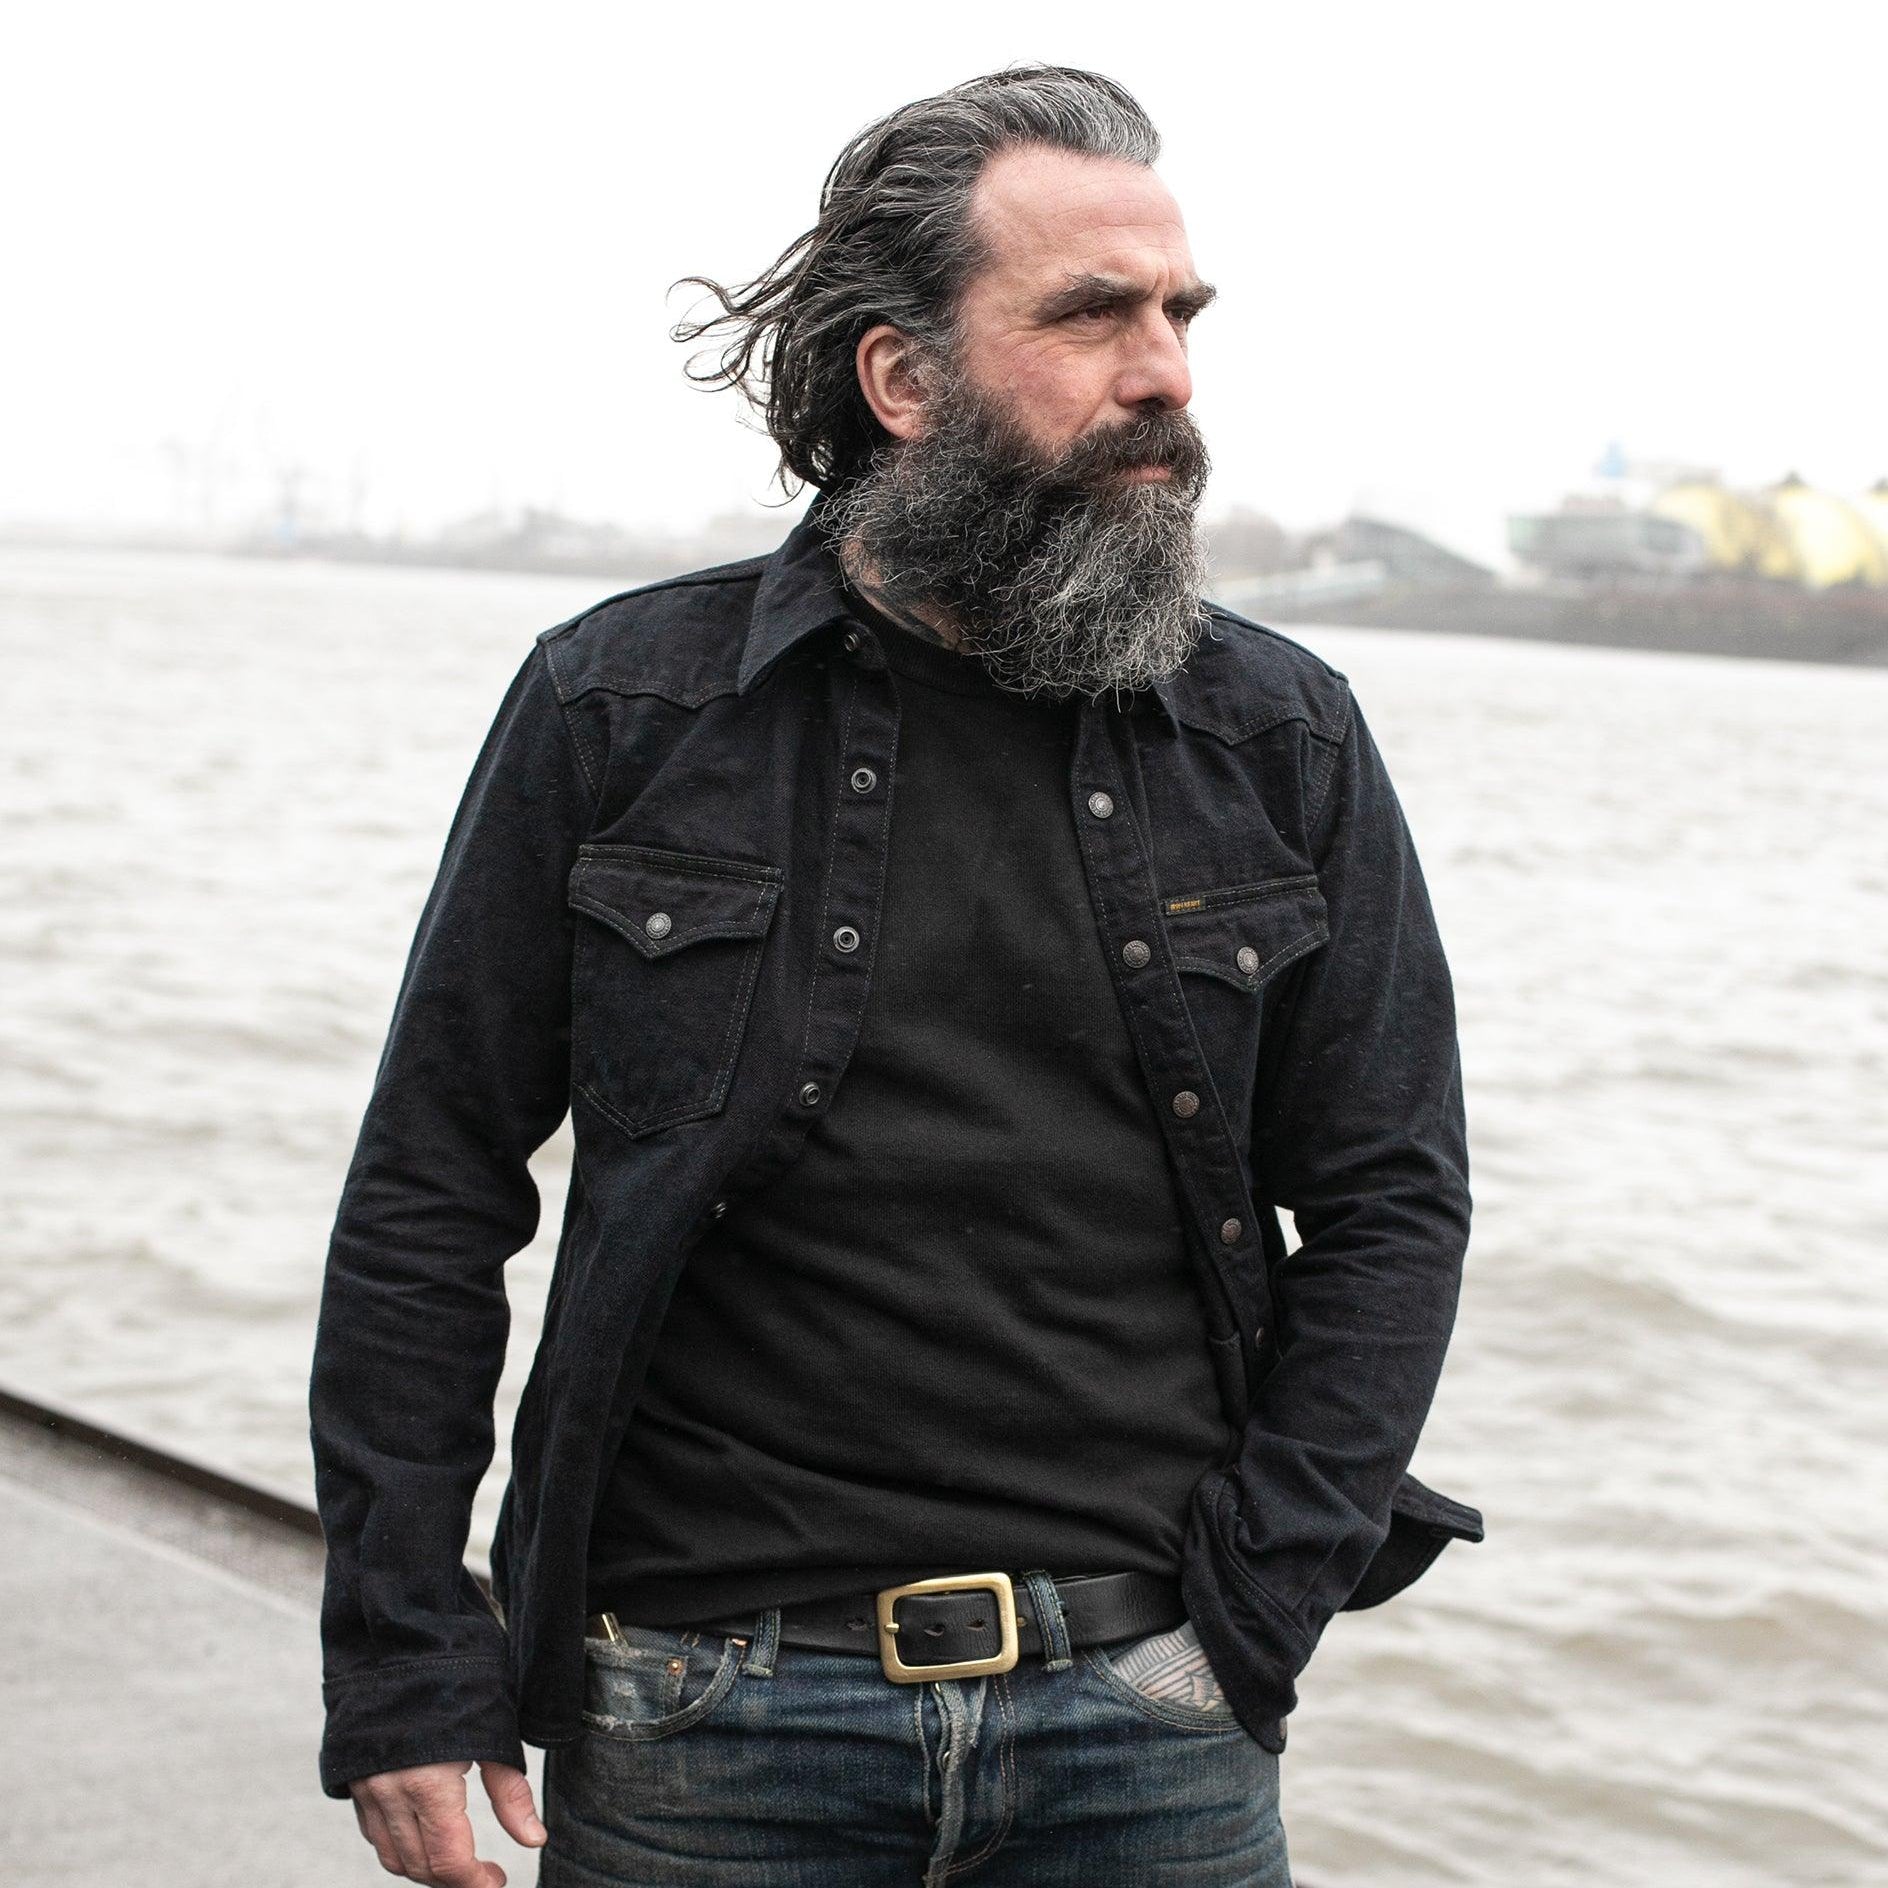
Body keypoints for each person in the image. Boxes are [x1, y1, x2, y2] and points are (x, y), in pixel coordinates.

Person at [311, 62, 1484, 1888]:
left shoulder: (1282, 738)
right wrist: (402, 1660)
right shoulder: (623, 708)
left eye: (1179, 315)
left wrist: (1254, 1609)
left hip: (1146, 1722)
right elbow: (431, 1188)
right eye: (1091, 315)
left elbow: (1393, 1200)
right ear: (904, 379)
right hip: (708, 1721)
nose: (1165, 374)